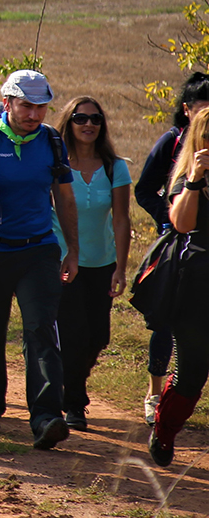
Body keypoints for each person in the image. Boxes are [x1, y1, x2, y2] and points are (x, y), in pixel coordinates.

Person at [0, 69, 78, 450]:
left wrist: (72, 249)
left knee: (41, 329)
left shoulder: (53, 142)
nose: (34, 114)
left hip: (38, 249)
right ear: (7, 102)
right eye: (27, 106)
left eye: (41, 107)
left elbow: (64, 196)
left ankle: (47, 417)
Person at [51, 96, 131, 432]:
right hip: (62, 261)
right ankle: (74, 404)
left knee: (99, 336)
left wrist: (121, 268)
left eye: (95, 119)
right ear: (68, 123)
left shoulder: (115, 166)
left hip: (102, 263)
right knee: (73, 334)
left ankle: (67, 386)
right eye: (80, 118)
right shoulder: (55, 163)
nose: (88, 125)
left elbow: (122, 220)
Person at [135, 71, 209, 422]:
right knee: (165, 323)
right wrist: (167, 218)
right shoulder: (173, 142)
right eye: (202, 107)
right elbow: (145, 189)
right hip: (177, 247)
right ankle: (155, 391)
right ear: (186, 109)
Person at [148, 107, 209, 466]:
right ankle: (165, 428)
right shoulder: (186, 178)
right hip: (195, 289)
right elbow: (182, 224)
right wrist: (195, 180)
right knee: (191, 374)